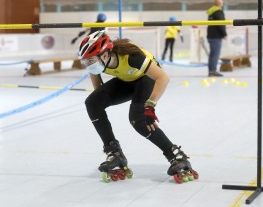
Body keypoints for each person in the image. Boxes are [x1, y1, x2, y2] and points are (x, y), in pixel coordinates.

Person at [78, 30, 198, 183]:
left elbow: (163, 77)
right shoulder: (98, 63)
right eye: (85, 62)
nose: (89, 65)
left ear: (106, 54)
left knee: (139, 119)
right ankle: (114, 153)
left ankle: (176, 155)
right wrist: (100, 105)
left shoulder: (132, 57)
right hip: (127, 80)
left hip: (147, 78)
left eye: (90, 61)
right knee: (92, 103)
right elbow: (98, 92)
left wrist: (150, 106)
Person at [206, 0, 227, 77]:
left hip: (210, 35)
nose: (222, 4)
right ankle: (213, 71)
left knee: (212, 54)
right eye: (222, 3)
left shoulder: (211, 12)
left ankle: (210, 71)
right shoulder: (218, 11)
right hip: (216, 36)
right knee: (216, 54)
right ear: (218, 4)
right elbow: (221, 24)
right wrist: (224, 34)